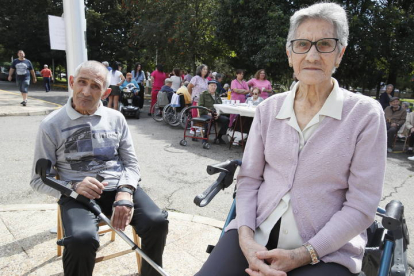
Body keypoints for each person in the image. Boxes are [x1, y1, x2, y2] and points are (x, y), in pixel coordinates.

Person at [196, 3, 386, 276]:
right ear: (289, 54)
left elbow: (361, 205)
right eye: (301, 44)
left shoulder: (364, 115)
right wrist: (247, 242)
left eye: (324, 44)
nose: (311, 55)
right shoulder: (268, 110)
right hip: (255, 232)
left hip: (326, 250)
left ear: (340, 53)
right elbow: (249, 181)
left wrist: (303, 254)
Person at [30, 61, 168, 276]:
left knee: (157, 222)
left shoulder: (117, 118)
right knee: (81, 240)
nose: (86, 91)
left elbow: (131, 164)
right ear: (72, 82)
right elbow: (39, 179)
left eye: (95, 86)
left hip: (119, 187)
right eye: (82, 83)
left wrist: (125, 191)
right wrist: (74, 186)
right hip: (77, 195)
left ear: (106, 92)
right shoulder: (51, 125)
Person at [198, 80, 229, 144]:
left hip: (215, 114)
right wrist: (208, 113)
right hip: (205, 114)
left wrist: (218, 114)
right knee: (209, 119)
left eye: (215, 86)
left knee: (226, 120)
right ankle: (205, 138)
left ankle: (219, 137)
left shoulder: (217, 95)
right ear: (208, 87)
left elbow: (220, 106)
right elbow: (200, 107)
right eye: (211, 85)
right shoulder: (203, 94)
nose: (213, 87)